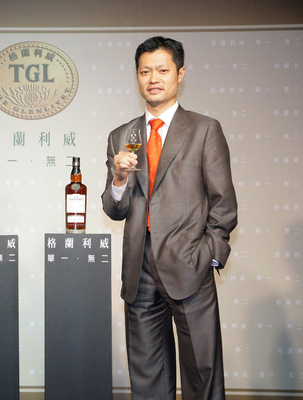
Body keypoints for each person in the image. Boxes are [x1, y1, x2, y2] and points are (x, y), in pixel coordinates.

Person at [101, 36, 238, 399]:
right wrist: (119, 179)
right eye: (145, 71)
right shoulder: (121, 136)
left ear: (180, 73)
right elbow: (114, 209)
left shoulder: (204, 129)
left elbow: (223, 203)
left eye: (162, 70)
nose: (153, 79)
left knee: (202, 372)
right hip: (139, 269)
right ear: (137, 76)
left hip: (189, 263)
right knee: (147, 376)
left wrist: (208, 255)